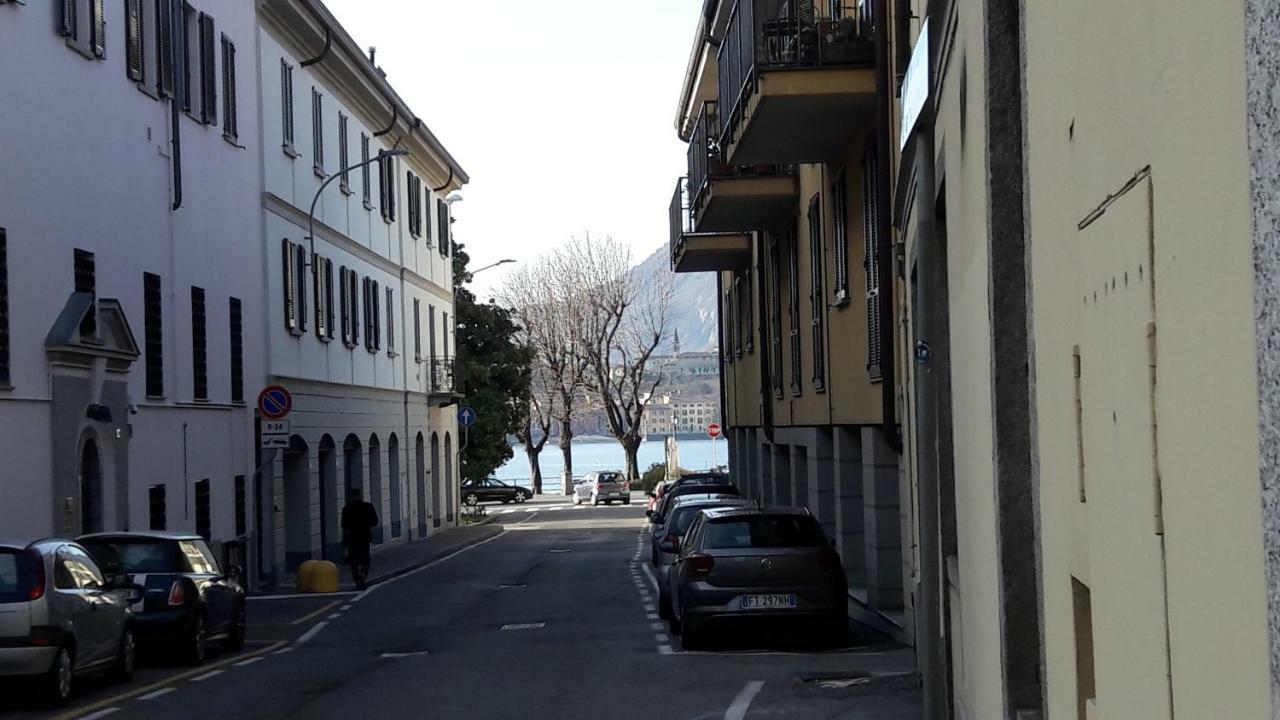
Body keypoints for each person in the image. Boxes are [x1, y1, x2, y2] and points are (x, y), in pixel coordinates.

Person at [340, 487, 379, 590]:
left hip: (353, 538)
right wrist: (366, 524)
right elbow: (375, 521)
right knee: (365, 558)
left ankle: (358, 579)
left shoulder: (347, 508)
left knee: (353, 561)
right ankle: (363, 574)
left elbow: (344, 525)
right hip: (365, 537)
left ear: (351, 497)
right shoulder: (368, 507)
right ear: (360, 496)